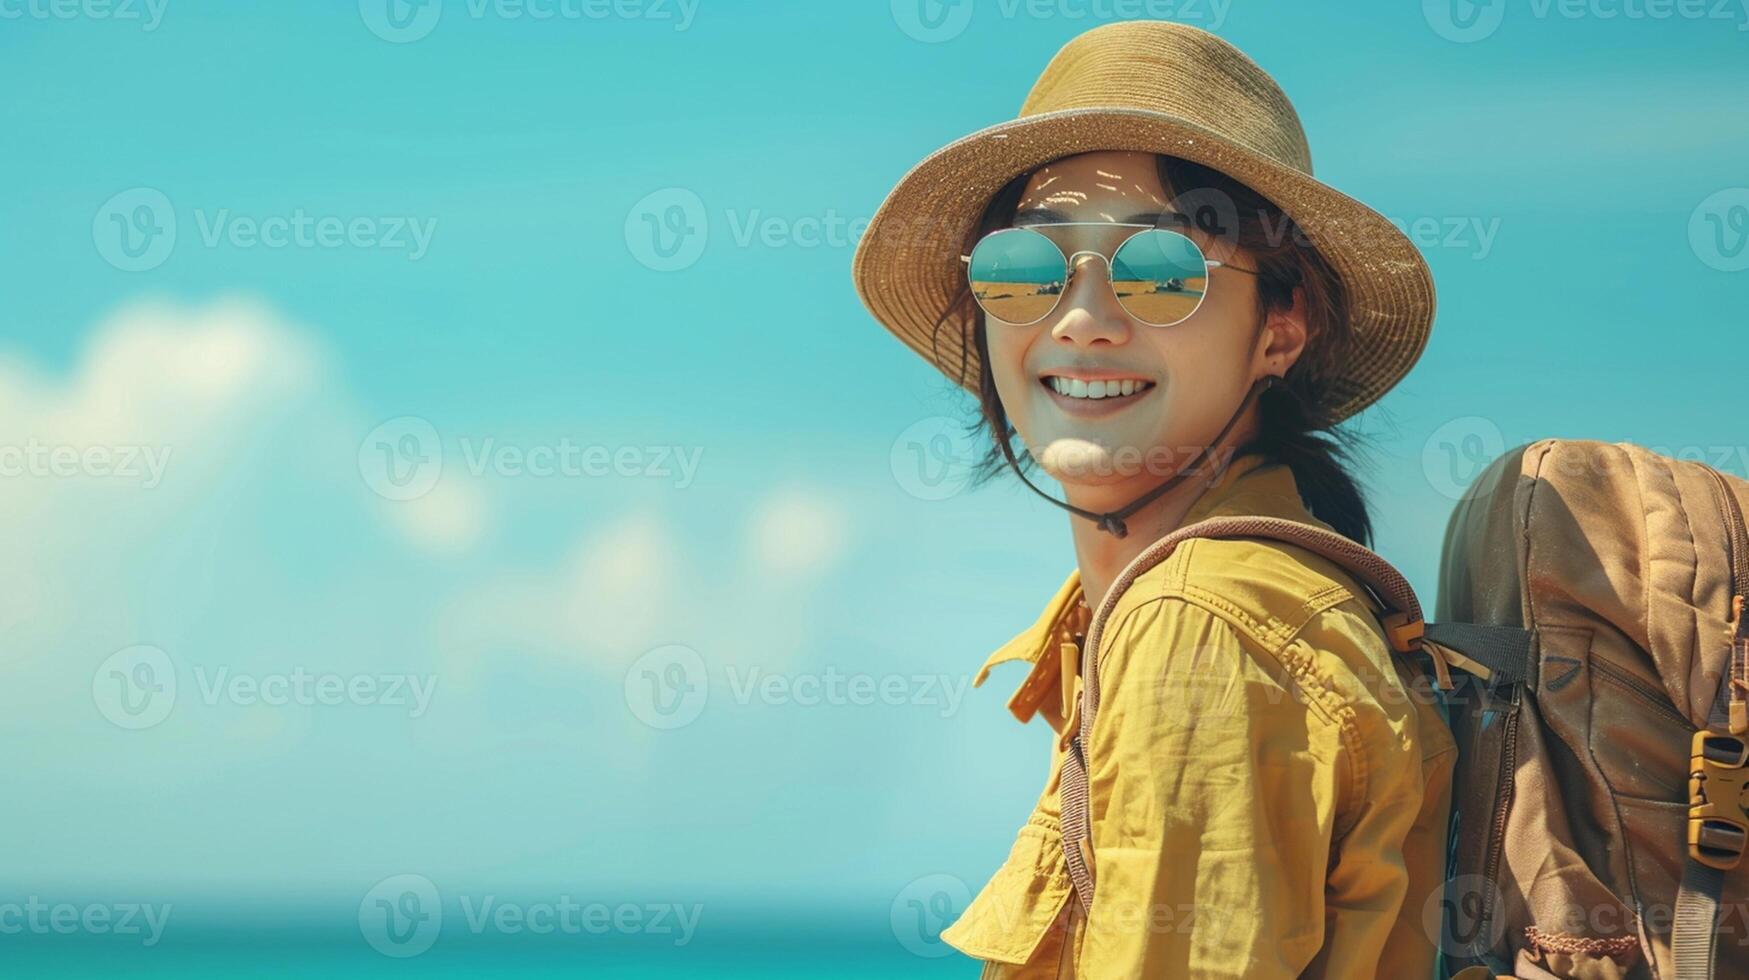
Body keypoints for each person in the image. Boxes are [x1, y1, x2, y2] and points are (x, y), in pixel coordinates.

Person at [851, 20, 1458, 979]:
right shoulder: (1231, 602)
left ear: (1281, 327)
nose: (1083, 320)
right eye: (1023, 268)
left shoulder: (1199, 626)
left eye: (1160, 271)